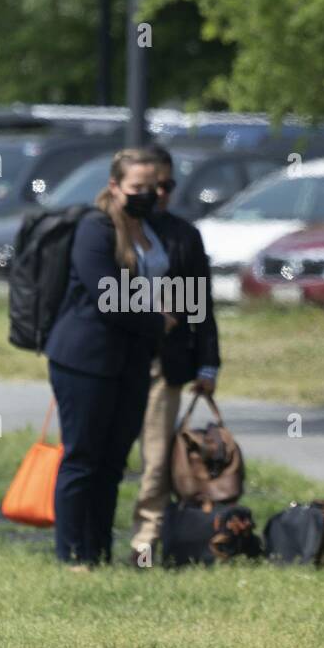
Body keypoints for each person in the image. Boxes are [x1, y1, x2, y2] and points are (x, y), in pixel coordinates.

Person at [44, 148, 176, 568]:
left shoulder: (150, 231)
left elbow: (164, 287)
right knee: (82, 457)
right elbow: (107, 296)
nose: (147, 194)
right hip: (86, 359)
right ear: (115, 186)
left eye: (154, 186)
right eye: (137, 187)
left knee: (113, 462)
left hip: (132, 361)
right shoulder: (95, 228)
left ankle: (97, 552)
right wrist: (158, 319)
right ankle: (71, 555)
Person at [129, 143, 220, 560]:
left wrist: (208, 364)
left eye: (168, 185)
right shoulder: (115, 229)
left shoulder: (184, 236)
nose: (160, 194)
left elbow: (201, 304)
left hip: (164, 364)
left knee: (156, 461)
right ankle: (90, 536)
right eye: (153, 186)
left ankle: (145, 543)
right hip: (116, 359)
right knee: (107, 456)